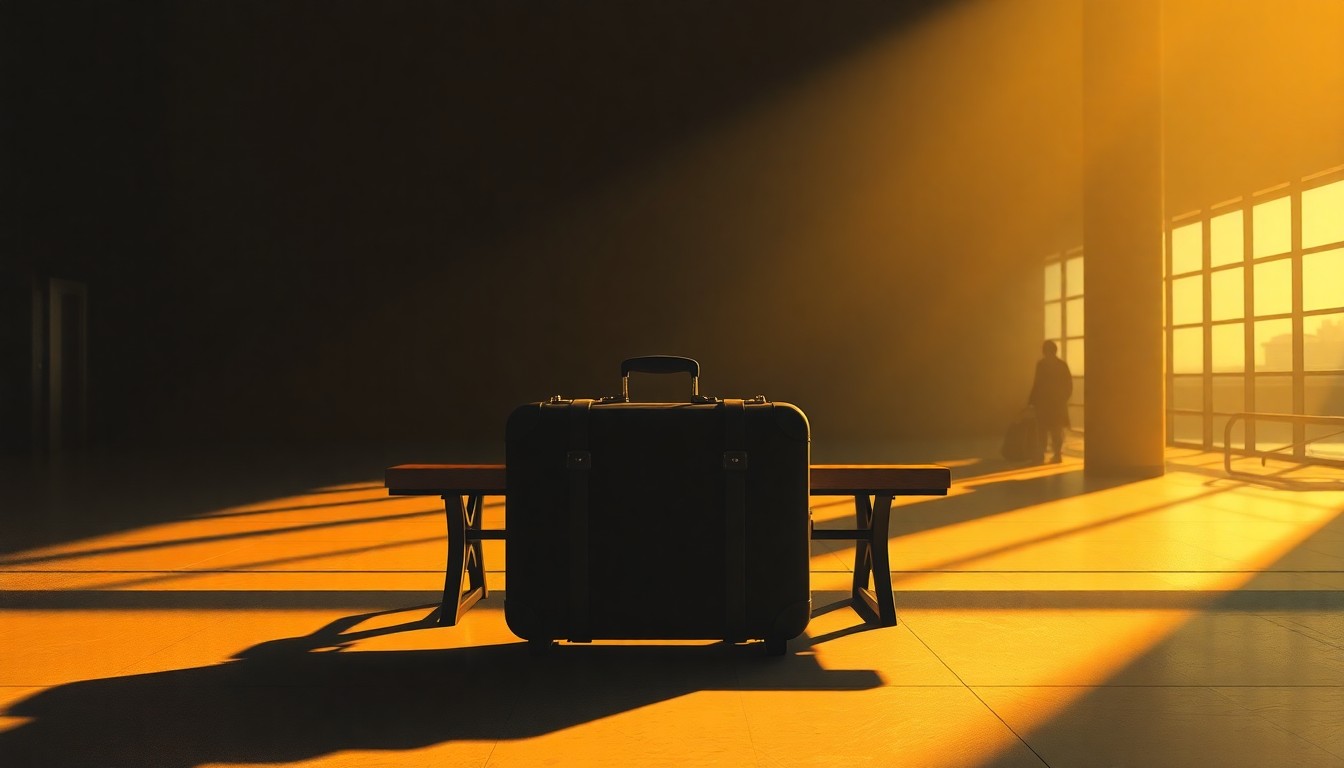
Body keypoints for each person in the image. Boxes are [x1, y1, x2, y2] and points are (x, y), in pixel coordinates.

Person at [1028, 340, 1073, 463]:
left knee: (1042, 430)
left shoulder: (1041, 365)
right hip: (1057, 403)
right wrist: (1063, 398)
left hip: (1043, 403)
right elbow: (1069, 384)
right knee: (1056, 430)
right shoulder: (1062, 365)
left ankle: (1041, 454)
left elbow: (1037, 384)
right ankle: (1057, 454)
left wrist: (1031, 401)